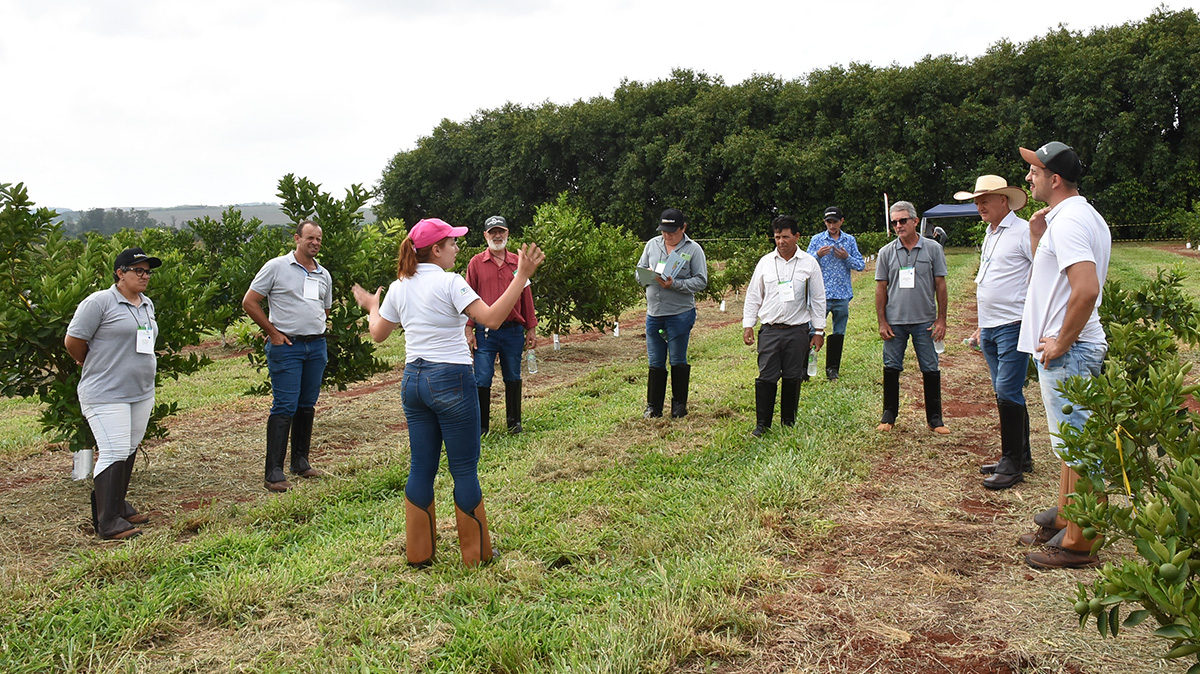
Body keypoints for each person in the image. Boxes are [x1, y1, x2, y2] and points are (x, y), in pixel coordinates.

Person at [352, 218, 544, 567]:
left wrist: (371, 306)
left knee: (421, 467)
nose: (457, 247)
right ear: (436, 250)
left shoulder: (400, 286)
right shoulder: (451, 283)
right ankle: (476, 556)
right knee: (464, 469)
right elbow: (492, 319)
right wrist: (521, 275)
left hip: (414, 381)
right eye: (452, 242)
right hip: (451, 379)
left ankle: (419, 554)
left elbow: (378, 333)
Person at [1014, 142, 1111, 570]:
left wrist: (1061, 342)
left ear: (1055, 179)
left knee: (1080, 449)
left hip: (1070, 350)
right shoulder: (1078, 217)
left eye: (1035, 171)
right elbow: (1057, 280)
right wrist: (1038, 237)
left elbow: (1086, 288)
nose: (1029, 177)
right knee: (1071, 446)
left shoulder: (1070, 221)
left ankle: (1078, 542)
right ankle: (1068, 518)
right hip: (1072, 348)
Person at [65, 248, 162, 540]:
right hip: (106, 392)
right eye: (138, 271)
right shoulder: (100, 302)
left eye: (148, 271)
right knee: (114, 449)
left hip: (140, 391)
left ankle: (117, 505)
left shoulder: (146, 304)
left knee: (128, 447)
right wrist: (90, 362)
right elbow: (74, 340)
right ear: (120, 273)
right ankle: (107, 522)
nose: (145, 276)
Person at [954, 175, 1034, 491]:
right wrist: (980, 325)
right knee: (1006, 392)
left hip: (1013, 325)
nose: (979, 205)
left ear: (1004, 200)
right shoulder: (991, 233)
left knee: (1007, 391)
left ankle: (1012, 464)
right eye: (976, 200)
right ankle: (1019, 456)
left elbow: (1040, 276)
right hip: (990, 326)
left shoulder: (1024, 232)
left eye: (985, 199)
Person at [242, 220, 332, 493]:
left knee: (307, 403)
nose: (315, 243)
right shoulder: (276, 267)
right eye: (310, 238)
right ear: (297, 238)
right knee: (284, 405)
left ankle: (301, 462)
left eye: (318, 239)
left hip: (315, 346)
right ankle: (274, 471)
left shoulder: (323, 274)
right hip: (287, 347)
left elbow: (324, 309)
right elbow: (250, 301)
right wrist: (273, 332)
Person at [743, 216, 826, 436]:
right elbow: (754, 295)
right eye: (777, 237)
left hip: (797, 330)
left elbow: (818, 299)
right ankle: (763, 424)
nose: (781, 241)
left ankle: (788, 422)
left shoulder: (809, 263)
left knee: (792, 376)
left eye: (786, 237)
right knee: (766, 376)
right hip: (770, 330)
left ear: (797, 237)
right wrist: (748, 324)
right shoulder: (765, 263)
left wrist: (818, 331)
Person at [875, 201, 950, 434]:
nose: (898, 225)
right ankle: (889, 415)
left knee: (930, 367)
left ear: (915, 221)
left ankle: (935, 419)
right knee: (891, 366)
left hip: (925, 321)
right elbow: (880, 289)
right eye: (894, 222)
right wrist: (882, 321)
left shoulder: (933, 249)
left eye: (903, 220)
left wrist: (941, 319)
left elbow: (941, 285)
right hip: (895, 321)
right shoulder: (886, 252)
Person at [464, 215, 538, 435]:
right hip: (485, 332)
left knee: (513, 375)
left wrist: (531, 328)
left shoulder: (518, 262)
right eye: (493, 232)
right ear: (485, 235)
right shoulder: (476, 263)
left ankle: (514, 422)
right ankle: (481, 426)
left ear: (507, 234)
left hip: (512, 330)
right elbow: (468, 298)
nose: (497, 236)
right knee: (482, 377)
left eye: (501, 231)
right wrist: (468, 328)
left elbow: (526, 296)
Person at [636, 208, 709, 418]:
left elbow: (701, 281)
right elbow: (638, 272)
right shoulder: (652, 245)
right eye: (664, 231)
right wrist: (647, 276)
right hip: (654, 313)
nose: (667, 235)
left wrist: (674, 284)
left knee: (677, 358)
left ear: (683, 228)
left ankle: (679, 406)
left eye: (671, 231)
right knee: (655, 360)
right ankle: (653, 407)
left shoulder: (693, 250)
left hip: (679, 313)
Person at [806, 206, 865, 381]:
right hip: (820, 296)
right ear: (825, 222)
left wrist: (846, 257)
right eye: (828, 222)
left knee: (838, 333)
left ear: (842, 221)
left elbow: (860, 265)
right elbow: (805, 263)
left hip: (842, 295)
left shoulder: (849, 240)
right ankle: (806, 368)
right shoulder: (817, 240)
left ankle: (832, 369)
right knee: (813, 331)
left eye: (835, 222)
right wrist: (817, 255)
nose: (831, 225)